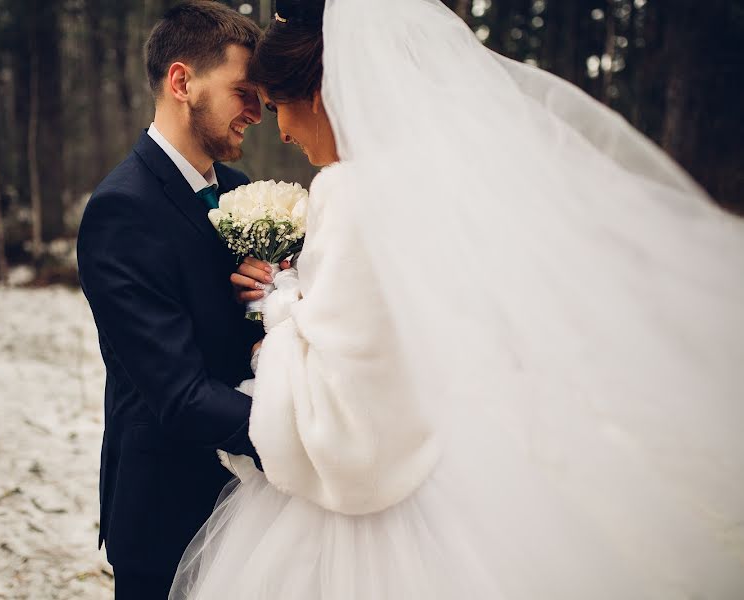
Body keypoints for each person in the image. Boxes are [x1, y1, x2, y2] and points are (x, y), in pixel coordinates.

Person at [170, 0, 744, 598]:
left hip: (362, 516)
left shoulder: (349, 192)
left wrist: (278, 327)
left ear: (317, 94)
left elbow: (348, 394)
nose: (281, 131)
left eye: (282, 107)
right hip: (447, 472)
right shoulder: (428, 184)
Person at [75, 2, 267, 598]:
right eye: (244, 92)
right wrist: (306, 435)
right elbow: (178, 395)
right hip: (167, 517)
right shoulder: (121, 210)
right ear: (183, 82)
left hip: (254, 513)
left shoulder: (243, 195)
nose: (257, 114)